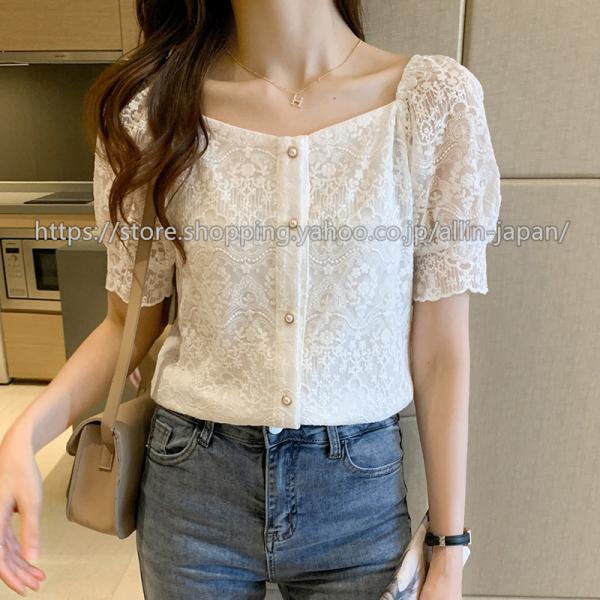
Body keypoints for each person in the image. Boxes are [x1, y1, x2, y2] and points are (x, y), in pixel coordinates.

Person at [0, 1, 502, 598]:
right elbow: (124, 324)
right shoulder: (152, 113)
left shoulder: (433, 103)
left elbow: (440, 353)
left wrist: (448, 550)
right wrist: (22, 434)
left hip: (356, 498)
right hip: (192, 488)